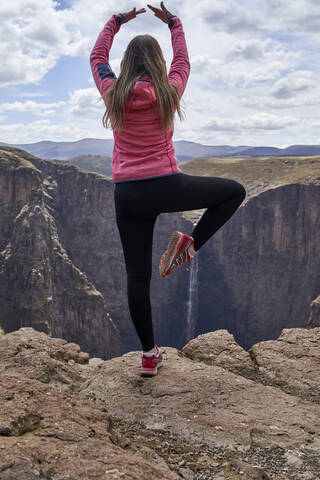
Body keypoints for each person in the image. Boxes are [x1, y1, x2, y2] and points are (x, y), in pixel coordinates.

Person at [90, 2, 246, 377]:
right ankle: (189, 245)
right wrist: (174, 23)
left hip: (127, 194)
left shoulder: (112, 90)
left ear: (126, 63)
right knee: (234, 191)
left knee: (137, 277)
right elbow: (183, 60)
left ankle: (148, 355)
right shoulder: (170, 90)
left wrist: (116, 21)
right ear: (158, 64)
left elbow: (96, 56)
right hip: (167, 184)